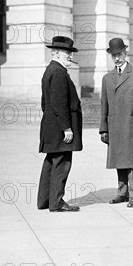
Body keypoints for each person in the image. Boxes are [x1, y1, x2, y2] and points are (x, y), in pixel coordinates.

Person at [99, 38, 133, 208]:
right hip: (114, 125)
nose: (116, 58)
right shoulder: (107, 78)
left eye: (119, 54)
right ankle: (122, 193)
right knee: (119, 159)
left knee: (132, 161)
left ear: (125, 53)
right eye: (113, 55)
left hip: (132, 125)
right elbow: (103, 105)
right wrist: (103, 129)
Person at [37, 36, 83, 212]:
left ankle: (45, 200)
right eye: (67, 52)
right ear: (55, 53)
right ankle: (56, 203)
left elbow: (45, 103)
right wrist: (66, 127)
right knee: (62, 163)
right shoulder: (58, 73)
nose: (70, 56)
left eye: (71, 52)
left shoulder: (51, 70)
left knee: (51, 161)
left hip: (51, 126)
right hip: (60, 128)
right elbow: (59, 103)